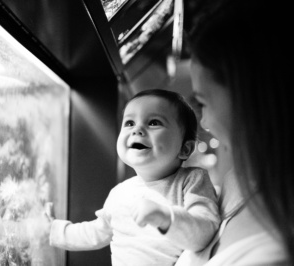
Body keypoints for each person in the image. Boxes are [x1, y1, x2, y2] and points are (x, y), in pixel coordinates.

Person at [174, 0, 293, 265]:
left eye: (202, 102)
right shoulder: (240, 179)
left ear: (250, 99)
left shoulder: (273, 255)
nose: (203, 123)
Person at [47, 89, 220, 266]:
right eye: (129, 123)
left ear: (185, 149)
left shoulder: (191, 181)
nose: (137, 130)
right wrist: (55, 230)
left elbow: (206, 229)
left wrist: (165, 217)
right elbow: (96, 232)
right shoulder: (120, 193)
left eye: (153, 122)